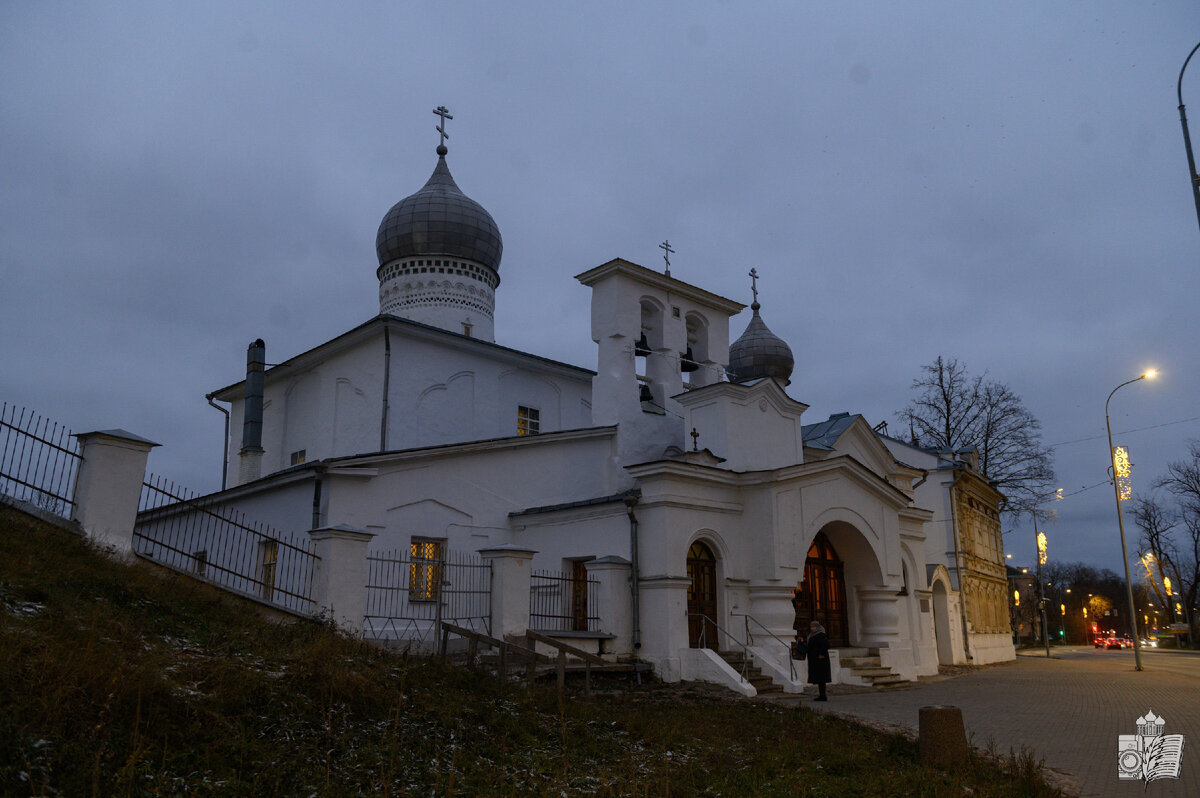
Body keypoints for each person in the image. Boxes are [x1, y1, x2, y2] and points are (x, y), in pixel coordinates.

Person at [806, 620, 831, 701]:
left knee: (821, 678)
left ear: (817, 627)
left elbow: (826, 645)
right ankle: (822, 695)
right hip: (815, 660)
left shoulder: (820, 635)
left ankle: (823, 696)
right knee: (820, 678)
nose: (812, 628)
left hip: (821, 661)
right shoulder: (812, 635)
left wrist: (821, 654)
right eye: (811, 627)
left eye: (813, 627)